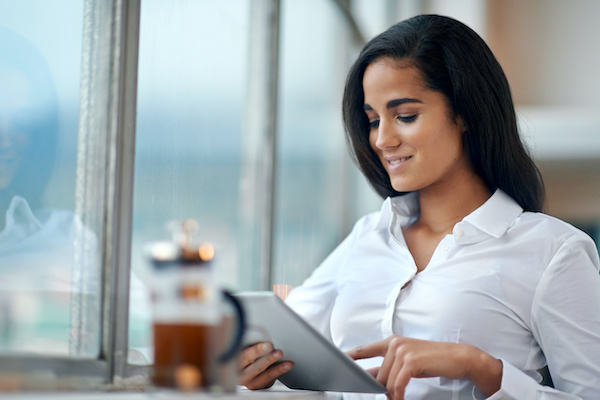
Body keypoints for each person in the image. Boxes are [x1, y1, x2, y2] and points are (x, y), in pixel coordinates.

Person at [238, 14, 600, 400]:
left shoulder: (553, 251)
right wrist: (256, 367)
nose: (382, 140)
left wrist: (480, 367)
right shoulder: (368, 235)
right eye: (373, 120)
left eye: (405, 116)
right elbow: (282, 339)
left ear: (464, 112)